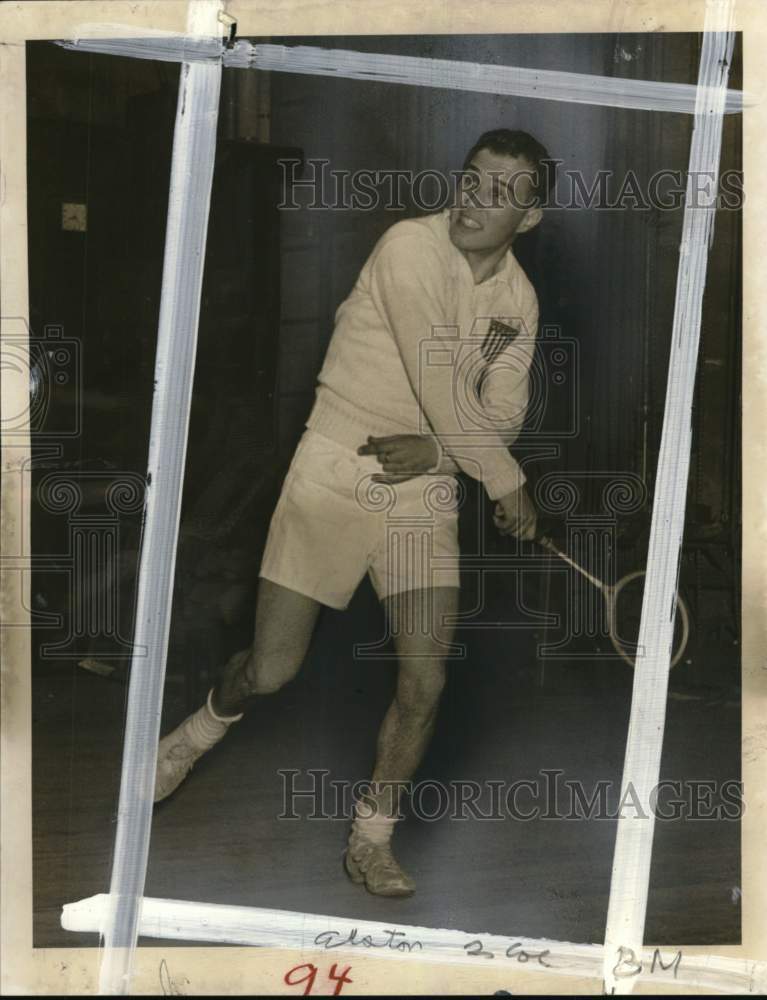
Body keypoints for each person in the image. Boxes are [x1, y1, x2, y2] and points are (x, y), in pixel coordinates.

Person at [154, 128, 555, 898]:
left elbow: (502, 414)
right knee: (270, 671)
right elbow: (440, 387)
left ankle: (372, 837)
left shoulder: (519, 302)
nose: (477, 200)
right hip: (334, 465)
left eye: (504, 193)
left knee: (425, 679)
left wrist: (443, 460)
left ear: (530, 218)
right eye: (472, 180)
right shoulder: (408, 246)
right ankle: (194, 734)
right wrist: (504, 483)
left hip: (423, 490)